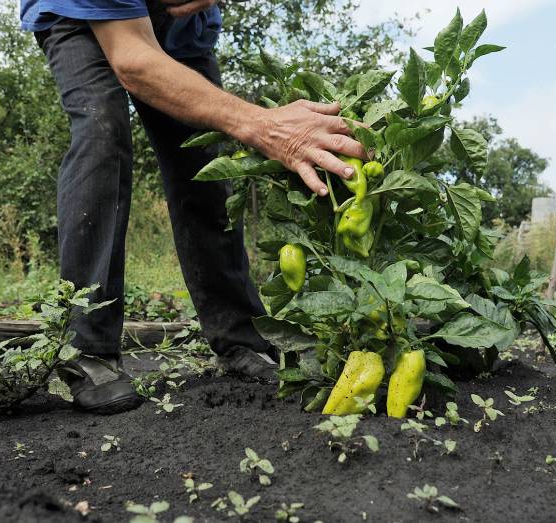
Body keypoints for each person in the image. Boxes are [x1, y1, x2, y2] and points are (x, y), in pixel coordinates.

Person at [20, 0, 366, 415]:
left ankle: (239, 336)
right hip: (78, 12)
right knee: (102, 130)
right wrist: (266, 126)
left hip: (181, 31)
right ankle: (87, 347)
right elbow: (133, 60)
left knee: (199, 161)